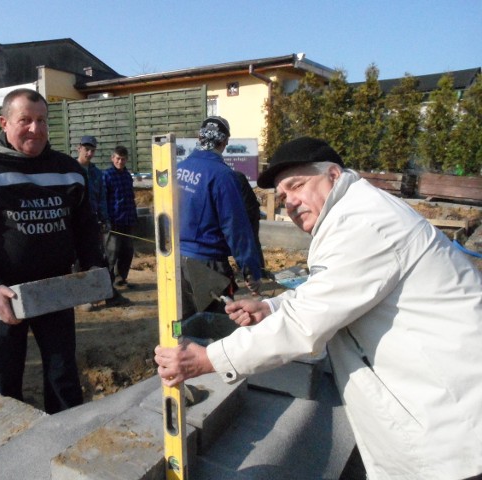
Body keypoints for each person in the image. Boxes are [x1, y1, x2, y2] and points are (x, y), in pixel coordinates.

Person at [155, 136, 482, 479]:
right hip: (437, 406)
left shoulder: (362, 223)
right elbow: (328, 295)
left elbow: (304, 326)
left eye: (297, 185)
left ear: (335, 175)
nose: (290, 203)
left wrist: (209, 359)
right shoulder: (354, 212)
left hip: (450, 421)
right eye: (282, 198)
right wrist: (270, 307)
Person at [0, 88, 104, 414]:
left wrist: (94, 266)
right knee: (5, 385)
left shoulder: (68, 170)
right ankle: (12, 453)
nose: (36, 128)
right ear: (4, 123)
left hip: (55, 292)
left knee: (63, 377)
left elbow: (86, 226)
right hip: (2, 297)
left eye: (42, 120)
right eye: (25, 121)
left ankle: (66, 440)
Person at [176, 116, 262, 318]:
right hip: (208, 266)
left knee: (182, 321)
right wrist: (250, 270)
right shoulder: (223, 176)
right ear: (225, 142)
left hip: (176, 262)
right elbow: (236, 228)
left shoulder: (178, 170)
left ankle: (181, 349)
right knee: (217, 325)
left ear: (199, 137)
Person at [76, 136, 129, 309]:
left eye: (92, 150)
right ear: (79, 148)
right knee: (78, 261)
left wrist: (104, 219)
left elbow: (102, 199)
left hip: (93, 222)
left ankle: (108, 294)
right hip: (74, 223)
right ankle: (82, 298)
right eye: (86, 149)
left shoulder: (97, 173)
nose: (89, 153)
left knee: (101, 259)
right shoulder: (70, 170)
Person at [103, 145, 137, 290]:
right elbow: (103, 199)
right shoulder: (107, 175)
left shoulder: (127, 176)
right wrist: (106, 219)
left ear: (126, 159)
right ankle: (107, 286)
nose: (120, 162)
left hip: (127, 220)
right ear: (112, 158)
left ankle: (121, 279)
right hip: (114, 221)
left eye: (123, 159)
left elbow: (130, 197)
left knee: (127, 252)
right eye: (118, 158)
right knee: (111, 254)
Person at [232, 169, 266, 284]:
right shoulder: (235, 176)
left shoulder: (235, 178)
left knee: (252, 244)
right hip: (249, 212)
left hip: (249, 213)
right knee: (253, 243)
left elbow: (244, 203)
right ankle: (257, 273)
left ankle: (257, 274)